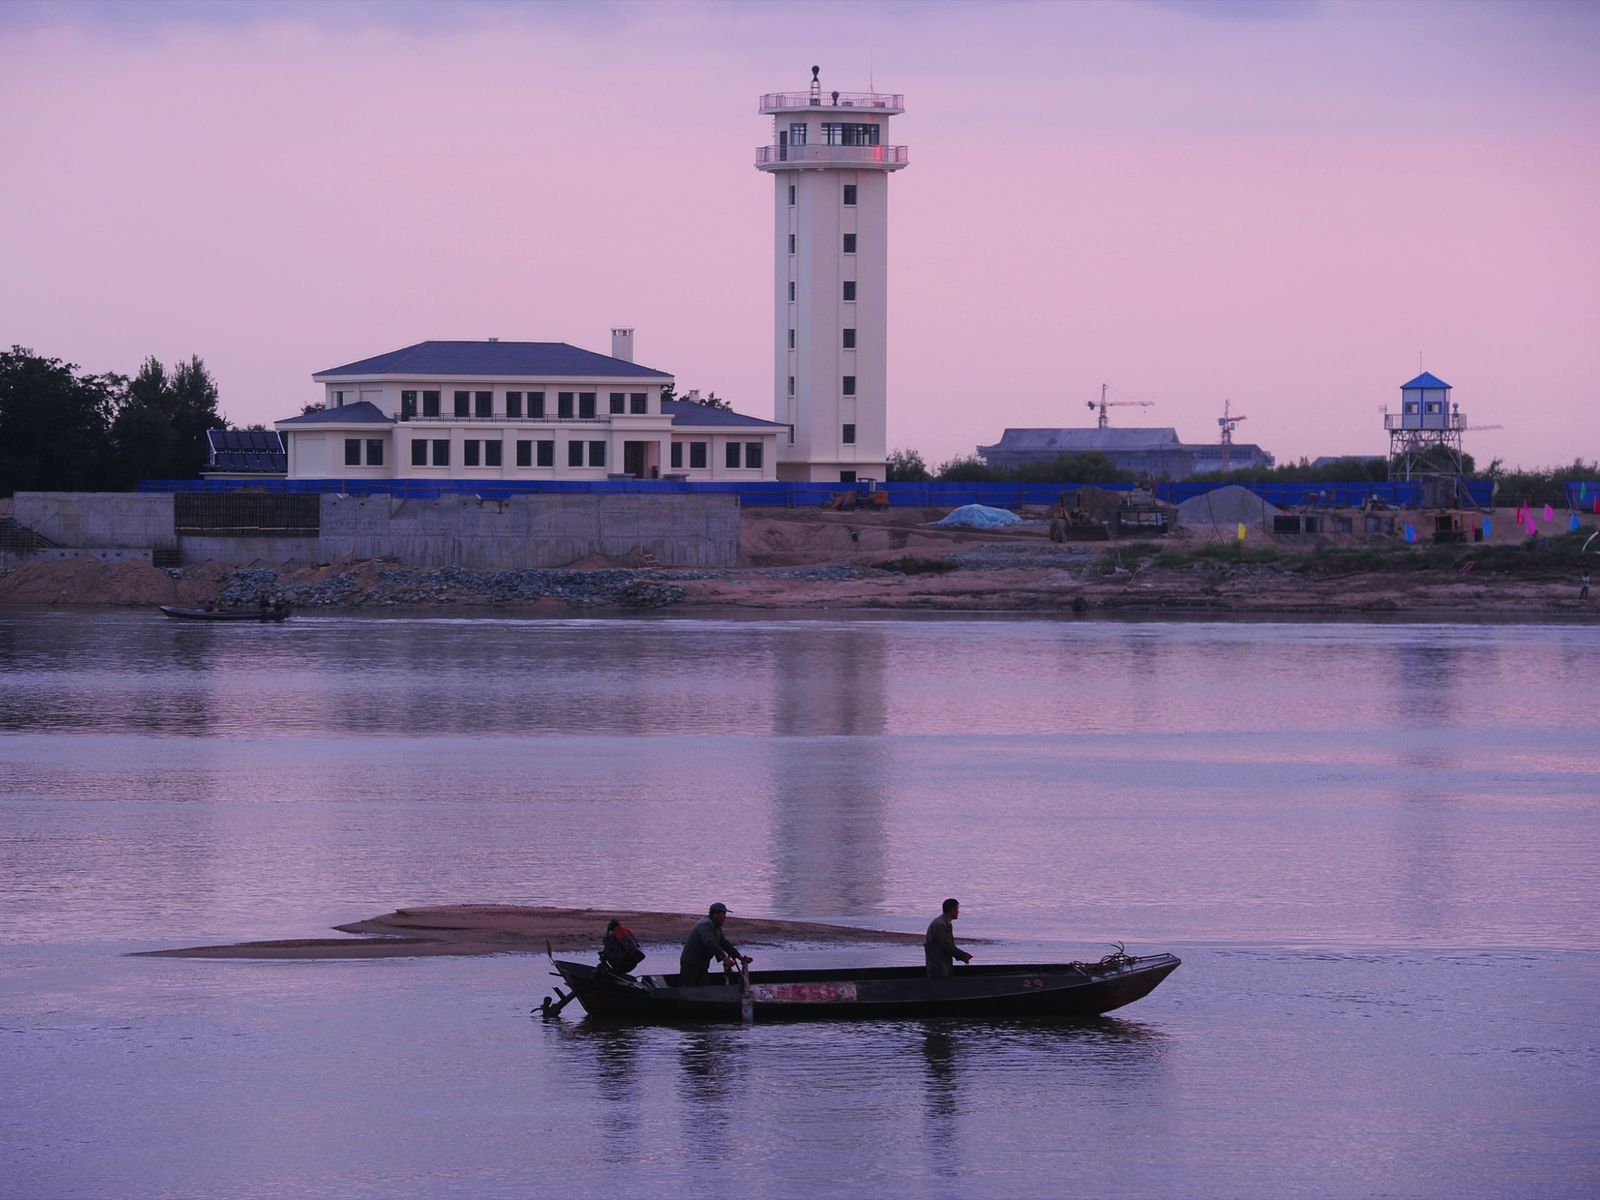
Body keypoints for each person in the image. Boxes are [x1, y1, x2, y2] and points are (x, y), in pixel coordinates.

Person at [678, 902, 749, 986]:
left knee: (703, 989)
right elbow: (710, 943)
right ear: (715, 914)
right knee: (689, 990)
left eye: (724, 914)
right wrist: (724, 957)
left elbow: (724, 943)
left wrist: (739, 957)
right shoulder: (705, 924)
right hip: (690, 963)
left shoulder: (716, 926)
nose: (724, 917)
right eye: (723, 914)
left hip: (702, 964)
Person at [925, 897, 973, 978]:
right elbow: (946, 946)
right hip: (937, 967)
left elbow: (948, 945)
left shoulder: (946, 923)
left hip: (942, 964)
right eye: (957, 909)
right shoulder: (940, 924)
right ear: (952, 910)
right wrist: (962, 956)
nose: (958, 911)